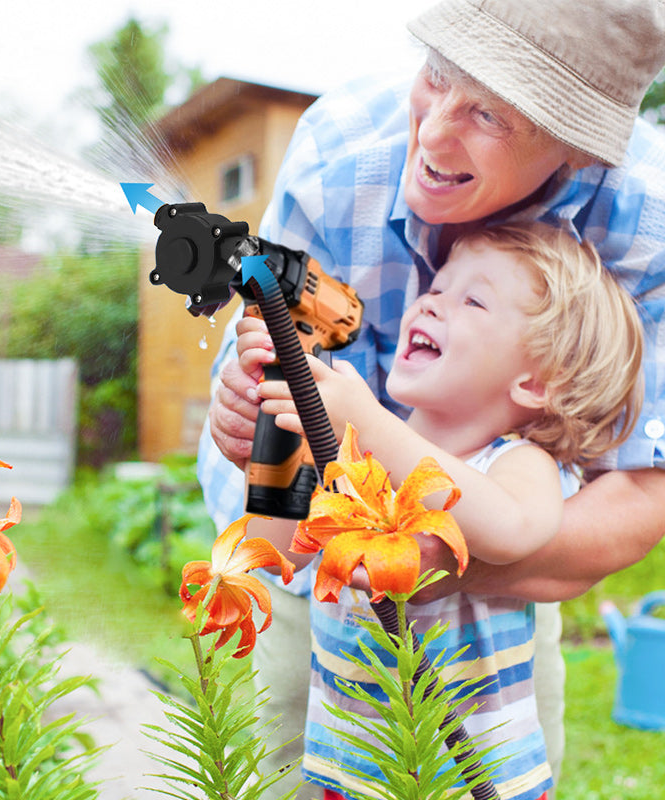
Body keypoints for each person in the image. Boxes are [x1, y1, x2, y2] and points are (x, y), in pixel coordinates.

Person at [196, 0, 665, 796]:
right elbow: (277, 534)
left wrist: (415, 534)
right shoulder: (342, 155)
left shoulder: (641, 224)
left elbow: (623, 495)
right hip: (332, 655)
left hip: (490, 642)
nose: (434, 132)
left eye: (490, 112)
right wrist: (250, 427)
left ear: (578, 152)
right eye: (437, 76)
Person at [237, 221, 642, 798]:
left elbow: (511, 530)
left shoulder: (516, 463)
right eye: (436, 286)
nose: (430, 301)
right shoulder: (357, 453)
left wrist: (368, 422)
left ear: (533, 382)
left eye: (472, 299)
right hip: (354, 774)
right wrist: (279, 421)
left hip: (472, 777)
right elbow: (275, 553)